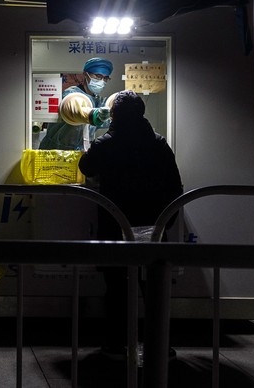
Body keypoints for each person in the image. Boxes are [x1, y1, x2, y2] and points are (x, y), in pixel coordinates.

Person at [77, 90, 184, 361]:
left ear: (114, 114)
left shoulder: (106, 143)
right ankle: (160, 344)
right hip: (153, 225)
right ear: (142, 114)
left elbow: (86, 167)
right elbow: (174, 183)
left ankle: (117, 343)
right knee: (154, 288)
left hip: (117, 224)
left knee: (117, 286)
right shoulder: (158, 144)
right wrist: (167, 221)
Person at [39, 57, 116, 151]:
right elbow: (76, 110)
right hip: (56, 153)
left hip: (79, 154)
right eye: (98, 76)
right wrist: (96, 115)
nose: (102, 81)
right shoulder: (71, 94)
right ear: (85, 75)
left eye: (105, 78)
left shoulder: (98, 101)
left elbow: (107, 119)